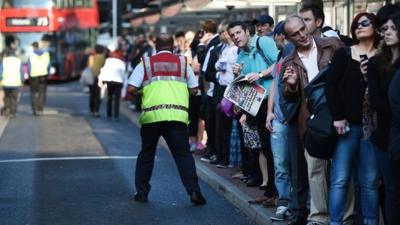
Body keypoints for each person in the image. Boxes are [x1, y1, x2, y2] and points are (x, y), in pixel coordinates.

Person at [127, 34, 206, 205]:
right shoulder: (184, 63)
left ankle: (142, 193)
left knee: (147, 154)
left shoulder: (146, 63)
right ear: (172, 46)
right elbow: (194, 89)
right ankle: (194, 192)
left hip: (151, 117)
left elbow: (131, 88)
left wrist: (144, 92)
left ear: (156, 46)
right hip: (177, 117)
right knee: (183, 155)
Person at [280, 15, 342, 225]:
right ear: (289, 38)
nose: (302, 35)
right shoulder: (289, 61)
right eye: (295, 34)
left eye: (302, 29)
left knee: (341, 173)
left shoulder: (331, 45)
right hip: (312, 122)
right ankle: (319, 218)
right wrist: (291, 85)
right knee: (316, 172)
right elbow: (287, 99)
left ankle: (347, 218)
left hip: (339, 115)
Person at [325, 12, 380, 225]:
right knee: (340, 180)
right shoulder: (345, 54)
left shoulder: (383, 56)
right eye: (356, 24)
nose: (359, 26)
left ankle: (370, 222)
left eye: (364, 23)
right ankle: (335, 222)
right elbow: (331, 87)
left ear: (375, 27)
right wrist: (338, 116)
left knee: (369, 181)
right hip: (347, 126)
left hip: (372, 128)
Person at [228, 20, 279, 205]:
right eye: (232, 35)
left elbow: (279, 64)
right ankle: (270, 191)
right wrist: (237, 76)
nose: (236, 37)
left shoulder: (263, 42)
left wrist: (261, 74)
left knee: (274, 149)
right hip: (255, 105)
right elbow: (246, 84)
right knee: (263, 148)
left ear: (246, 32)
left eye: (238, 33)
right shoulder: (241, 54)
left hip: (272, 103)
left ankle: (278, 194)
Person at [368, 11, 400, 225]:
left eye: (392, 28)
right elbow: (376, 101)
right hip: (384, 135)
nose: (387, 33)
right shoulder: (377, 62)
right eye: (384, 29)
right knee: (391, 188)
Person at [98, 49, 127, 120]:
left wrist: (101, 79)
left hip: (109, 81)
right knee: (117, 99)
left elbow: (104, 70)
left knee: (109, 97)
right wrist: (124, 81)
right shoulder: (122, 62)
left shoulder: (108, 60)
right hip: (118, 81)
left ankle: (109, 114)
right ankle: (116, 115)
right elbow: (123, 74)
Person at [28, 41, 50, 116]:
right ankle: (40, 109)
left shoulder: (31, 55)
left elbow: (29, 67)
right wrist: (47, 73)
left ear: (33, 47)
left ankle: (34, 109)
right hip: (43, 75)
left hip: (33, 75)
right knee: (42, 93)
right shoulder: (46, 54)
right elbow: (48, 65)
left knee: (33, 93)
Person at [0, 48, 24, 118]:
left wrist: (0, 79)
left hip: (6, 82)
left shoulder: (4, 61)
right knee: (14, 98)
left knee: (7, 97)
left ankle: (7, 108)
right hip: (16, 83)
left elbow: (0, 72)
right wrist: (22, 80)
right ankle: (12, 112)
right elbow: (21, 71)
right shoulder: (18, 61)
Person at [88, 45, 106, 117]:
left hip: (91, 77)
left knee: (92, 94)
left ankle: (92, 110)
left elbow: (89, 67)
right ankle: (96, 111)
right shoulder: (103, 57)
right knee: (98, 94)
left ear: (95, 50)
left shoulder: (91, 57)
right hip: (100, 78)